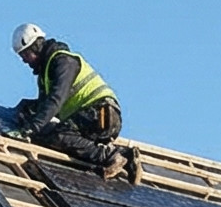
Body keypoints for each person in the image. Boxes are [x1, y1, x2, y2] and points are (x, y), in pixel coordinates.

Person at [8, 23, 134, 181]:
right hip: (89, 118)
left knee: (58, 136)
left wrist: (30, 128)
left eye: (26, 54)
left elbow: (56, 99)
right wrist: (27, 111)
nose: (24, 60)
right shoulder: (45, 73)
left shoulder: (63, 62)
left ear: (36, 47)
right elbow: (44, 107)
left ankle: (112, 156)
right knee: (43, 130)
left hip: (101, 114)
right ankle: (123, 158)